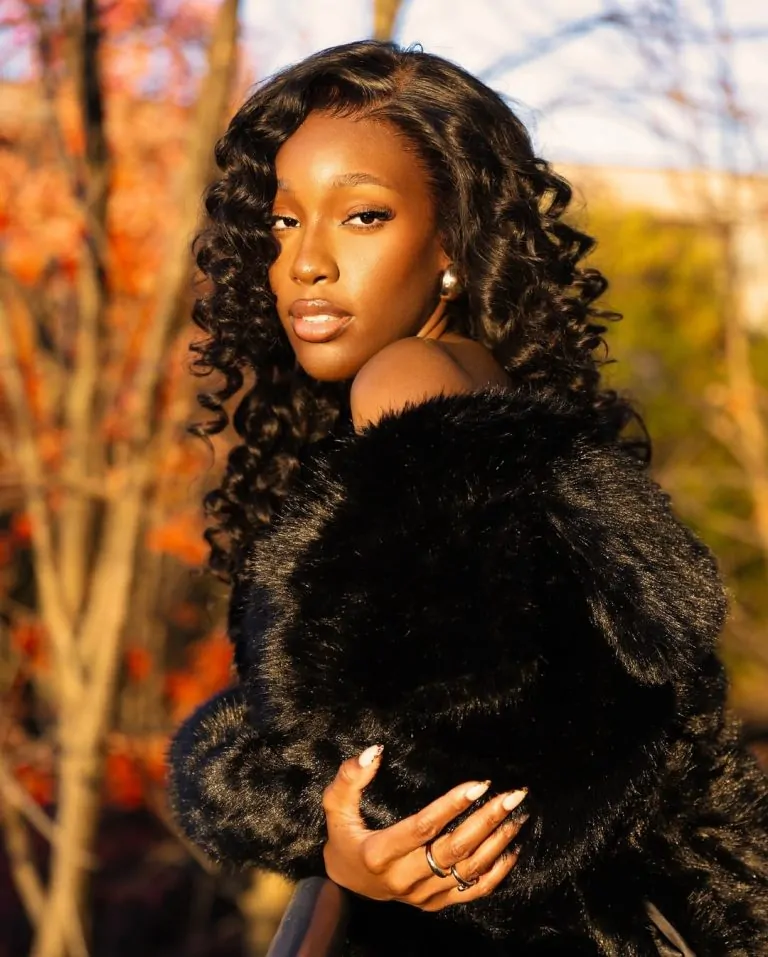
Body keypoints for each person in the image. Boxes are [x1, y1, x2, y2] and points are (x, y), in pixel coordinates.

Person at [169, 40, 768, 955]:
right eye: (285, 222)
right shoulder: (489, 397)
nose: (305, 263)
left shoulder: (405, 382)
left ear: (452, 238)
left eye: (363, 216)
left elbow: (456, 747)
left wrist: (300, 817)